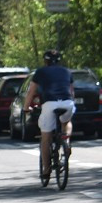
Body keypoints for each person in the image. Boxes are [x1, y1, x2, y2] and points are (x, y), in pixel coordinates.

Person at [22, 49, 74, 179]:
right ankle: (66, 141)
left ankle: (46, 169)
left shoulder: (40, 72)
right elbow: (72, 92)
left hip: (50, 103)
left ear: (45, 61)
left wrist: (26, 108)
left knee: (46, 137)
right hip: (67, 103)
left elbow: (31, 92)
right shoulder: (66, 71)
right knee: (66, 122)